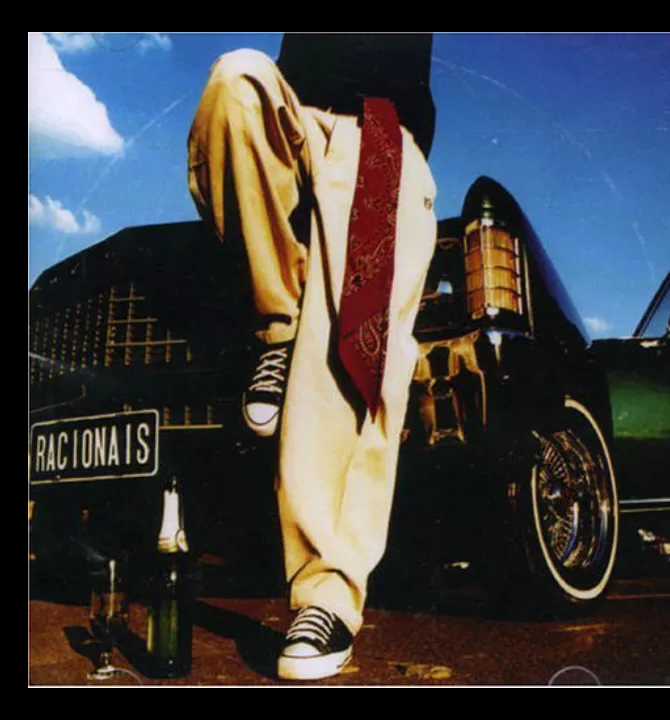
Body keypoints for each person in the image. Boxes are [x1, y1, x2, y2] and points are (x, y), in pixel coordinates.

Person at [186, 33, 437, 680]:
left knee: (352, 349)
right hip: (293, 115)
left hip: (379, 132)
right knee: (237, 79)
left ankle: (326, 594)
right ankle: (277, 330)